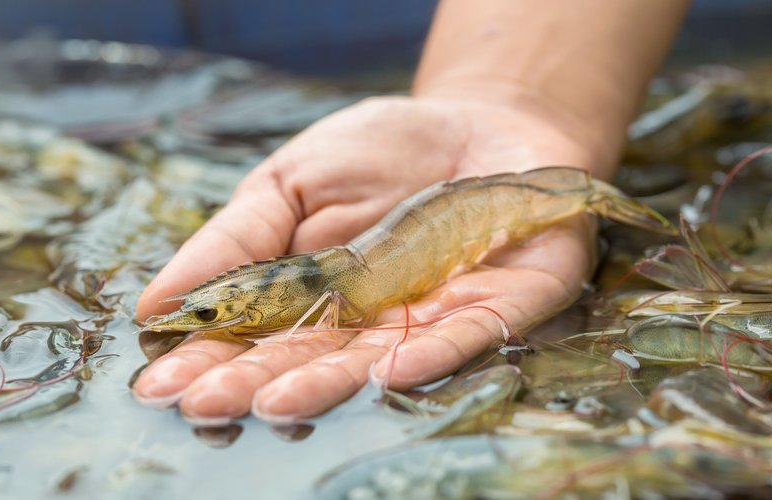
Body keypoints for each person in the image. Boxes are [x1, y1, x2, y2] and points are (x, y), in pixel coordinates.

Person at [132, 0, 690, 425]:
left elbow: (329, 301)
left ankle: (585, 195)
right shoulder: (306, 278)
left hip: (467, 213)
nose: (202, 317)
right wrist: (512, 100)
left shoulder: (325, 286)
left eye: (210, 313)